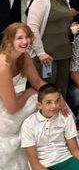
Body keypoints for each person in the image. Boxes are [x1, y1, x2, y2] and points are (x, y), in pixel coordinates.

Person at [0, 23, 46, 170]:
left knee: (45, 100)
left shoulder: (23, 56)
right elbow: (12, 108)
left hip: (11, 100)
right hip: (5, 109)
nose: (25, 41)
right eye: (19, 38)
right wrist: (27, 93)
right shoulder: (3, 67)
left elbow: (38, 82)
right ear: (9, 41)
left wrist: (57, 97)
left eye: (27, 37)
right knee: (35, 101)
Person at [21, 83, 79, 170]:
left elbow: (75, 150)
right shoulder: (28, 124)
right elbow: (34, 164)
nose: (54, 106)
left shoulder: (66, 117)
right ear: (39, 105)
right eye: (49, 102)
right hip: (44, 165)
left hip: (66, 159)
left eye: (57, 101)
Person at [27, 0, 73, 97]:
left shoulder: (64, 2)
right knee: (46, 93)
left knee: (61, 91)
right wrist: (41, 53)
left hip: (64, 54)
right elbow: (32, 28)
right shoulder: (41, 0)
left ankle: (61, 112)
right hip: (46, 56)